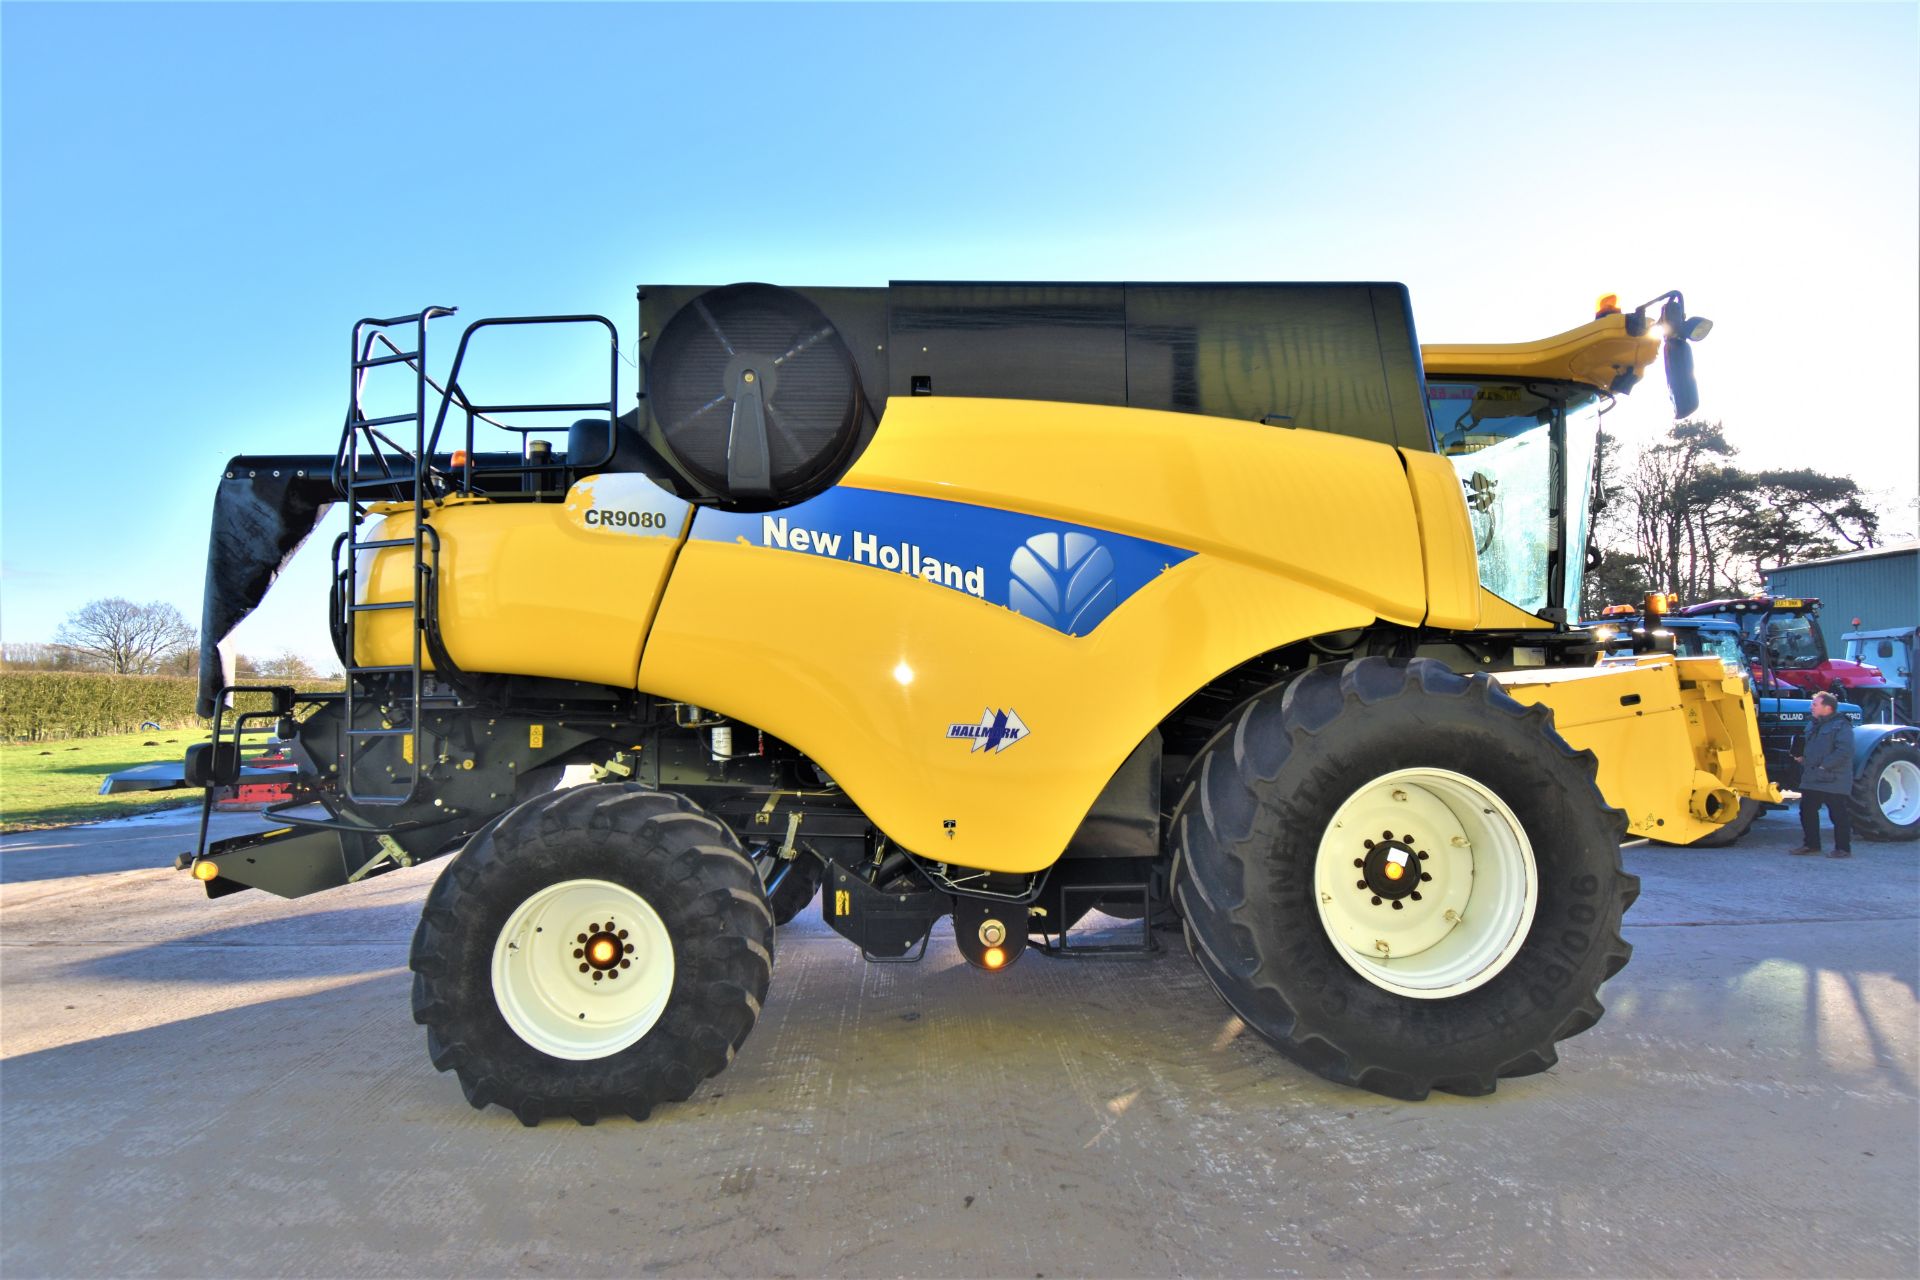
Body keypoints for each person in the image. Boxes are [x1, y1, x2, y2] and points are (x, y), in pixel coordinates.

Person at [1790, 691, 1853, 858]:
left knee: (1838, 814)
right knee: (1807, 810)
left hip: (1834, 778)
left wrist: (1825, 766)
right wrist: (1802, 758)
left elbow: (1844, 751)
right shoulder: (1812, 724)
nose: (1812, 707)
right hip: (1812, 777)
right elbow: (1811, 747)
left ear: (1828, 707)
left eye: (1815, 704)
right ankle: (1811, 845)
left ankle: (1843, 849)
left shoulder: (1841, 725)